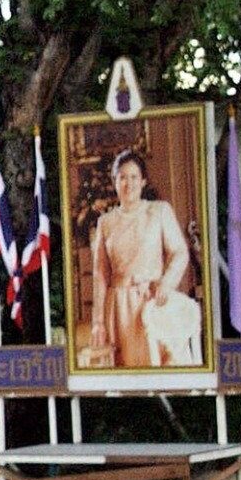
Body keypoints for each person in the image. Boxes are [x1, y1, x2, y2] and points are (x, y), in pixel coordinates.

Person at [89, 149, 195, 368]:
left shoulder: (159, 211)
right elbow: (100, 274)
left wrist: (166, 284)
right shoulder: (105, 222)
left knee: (160, 366)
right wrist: (98, 321)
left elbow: (179, 252)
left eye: (134, 177)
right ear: (115, 182)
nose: (129, 183)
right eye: (123, 178)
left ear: (143, 181)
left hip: (152, 301)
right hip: (118, 307)